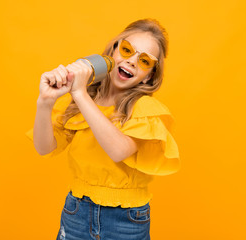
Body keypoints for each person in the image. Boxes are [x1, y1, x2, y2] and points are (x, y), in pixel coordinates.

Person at [26, 18, 180, 240]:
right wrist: (45, 102)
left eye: (145, 61)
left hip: (126, 220)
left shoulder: (144, 109)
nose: (132, 61)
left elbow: (118, 150)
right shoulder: (84, 101)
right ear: (113, 51)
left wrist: (78, 93)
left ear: (149, 75)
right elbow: (43, 147)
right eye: (127, 50)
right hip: (76, 212)